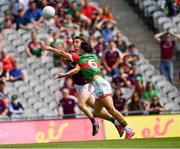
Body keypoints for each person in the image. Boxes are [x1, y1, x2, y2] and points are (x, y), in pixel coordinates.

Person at [41, 41, 135, 140]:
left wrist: (50, 48)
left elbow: (63, 54)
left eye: (79, 47)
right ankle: (117, 124)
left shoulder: (80, 59)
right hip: (99, 83)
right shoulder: (93, 56)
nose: (77, 48)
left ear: (82, 49)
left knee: (111, 109)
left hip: (98, 84)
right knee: (97, 112)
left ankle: (128, 129)